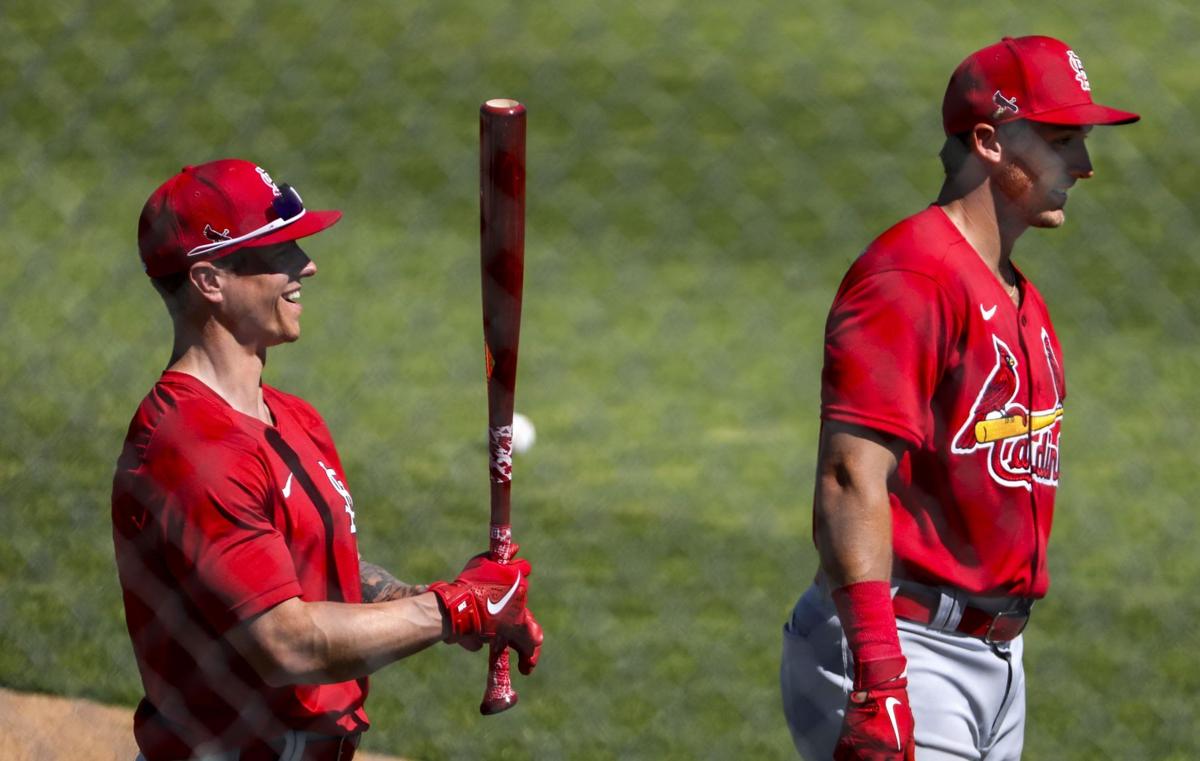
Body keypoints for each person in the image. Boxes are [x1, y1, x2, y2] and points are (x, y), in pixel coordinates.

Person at [780, 36, 1139, 760]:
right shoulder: (911, 276)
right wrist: (880, 677)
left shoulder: (1020, 297)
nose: (1084, 165)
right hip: (902, 647)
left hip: (997, 660)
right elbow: (851, 476)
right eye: (1062, 139)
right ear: (989, 142)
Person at [112, 159, 543, 761]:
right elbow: (285, 644)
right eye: (278, 250)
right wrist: (453, 611)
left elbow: (310, 567)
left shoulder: (294, 418)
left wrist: (458, 597)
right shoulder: (191, 447)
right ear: (210, 280)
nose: (305, 266)